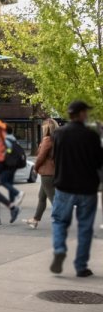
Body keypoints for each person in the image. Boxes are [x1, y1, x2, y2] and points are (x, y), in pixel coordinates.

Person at [49, 101, 103, 277]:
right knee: (85, 228)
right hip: (87, 188)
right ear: (80, 114)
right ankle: (81, 266)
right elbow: (98, 162)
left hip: (64, 186)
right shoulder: (91, 136)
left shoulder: (59, 134)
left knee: (59, 221)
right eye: (85, 112)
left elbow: (55, 158)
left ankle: (59, 249)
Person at [24, 118, 58, 229]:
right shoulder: (56, 139)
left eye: (43, 127)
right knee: (42, 197)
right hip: (52, 172)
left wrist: (35, 167)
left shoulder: (47, 139)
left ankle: (61, 220)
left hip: (46, 173)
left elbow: (41, 157)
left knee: (53, 198)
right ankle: (35, 219)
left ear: (46, 128)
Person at [0, 125, 25, 211]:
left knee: (2, 181)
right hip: (14, 165)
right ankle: (13, 206)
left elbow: (6, 151)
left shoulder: (6, 140)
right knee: (9, 184)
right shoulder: (14, 139)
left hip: (8, 165)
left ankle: (18, 193)